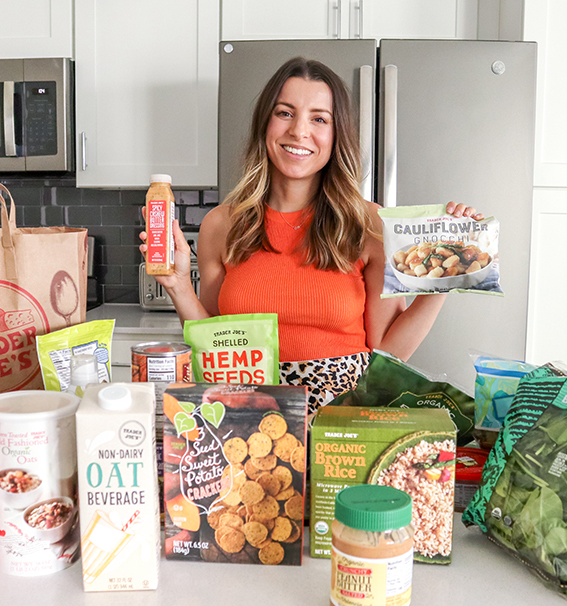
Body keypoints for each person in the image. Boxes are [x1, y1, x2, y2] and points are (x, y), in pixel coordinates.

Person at [141, 57, 481, 413]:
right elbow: (212, 347)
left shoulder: (369, 223)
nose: (299, 131)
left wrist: (446, 278)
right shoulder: (221, 224)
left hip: (343, 423)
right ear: (264, 124)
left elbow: (388, 353)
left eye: (319, 118)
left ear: (336, 135)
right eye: (285, 113)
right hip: (245, 417)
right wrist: (178, 284)